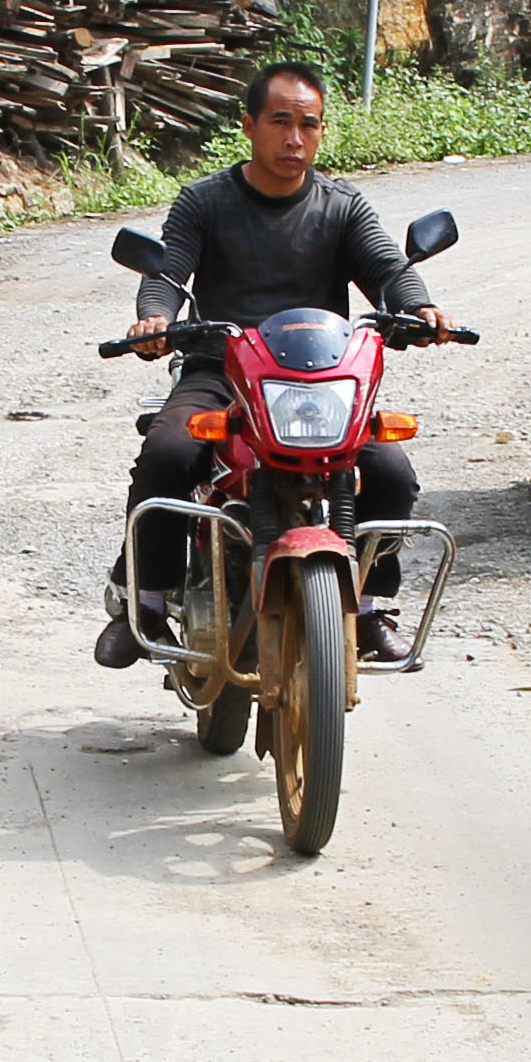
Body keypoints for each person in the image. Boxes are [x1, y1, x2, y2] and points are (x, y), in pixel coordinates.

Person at [98, 60, 441, 671]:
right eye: (280, 122)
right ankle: (143, 600)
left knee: (391, 472)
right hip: (222, 372)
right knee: (169, 453)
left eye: (309, 125)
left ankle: (373, 605)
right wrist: (154, 320)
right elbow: (167, 274)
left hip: (324, 380)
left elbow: (388, 270)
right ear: (250, 125)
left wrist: (419, 308)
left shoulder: (343, 206)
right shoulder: (205, 201)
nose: (294, 138)